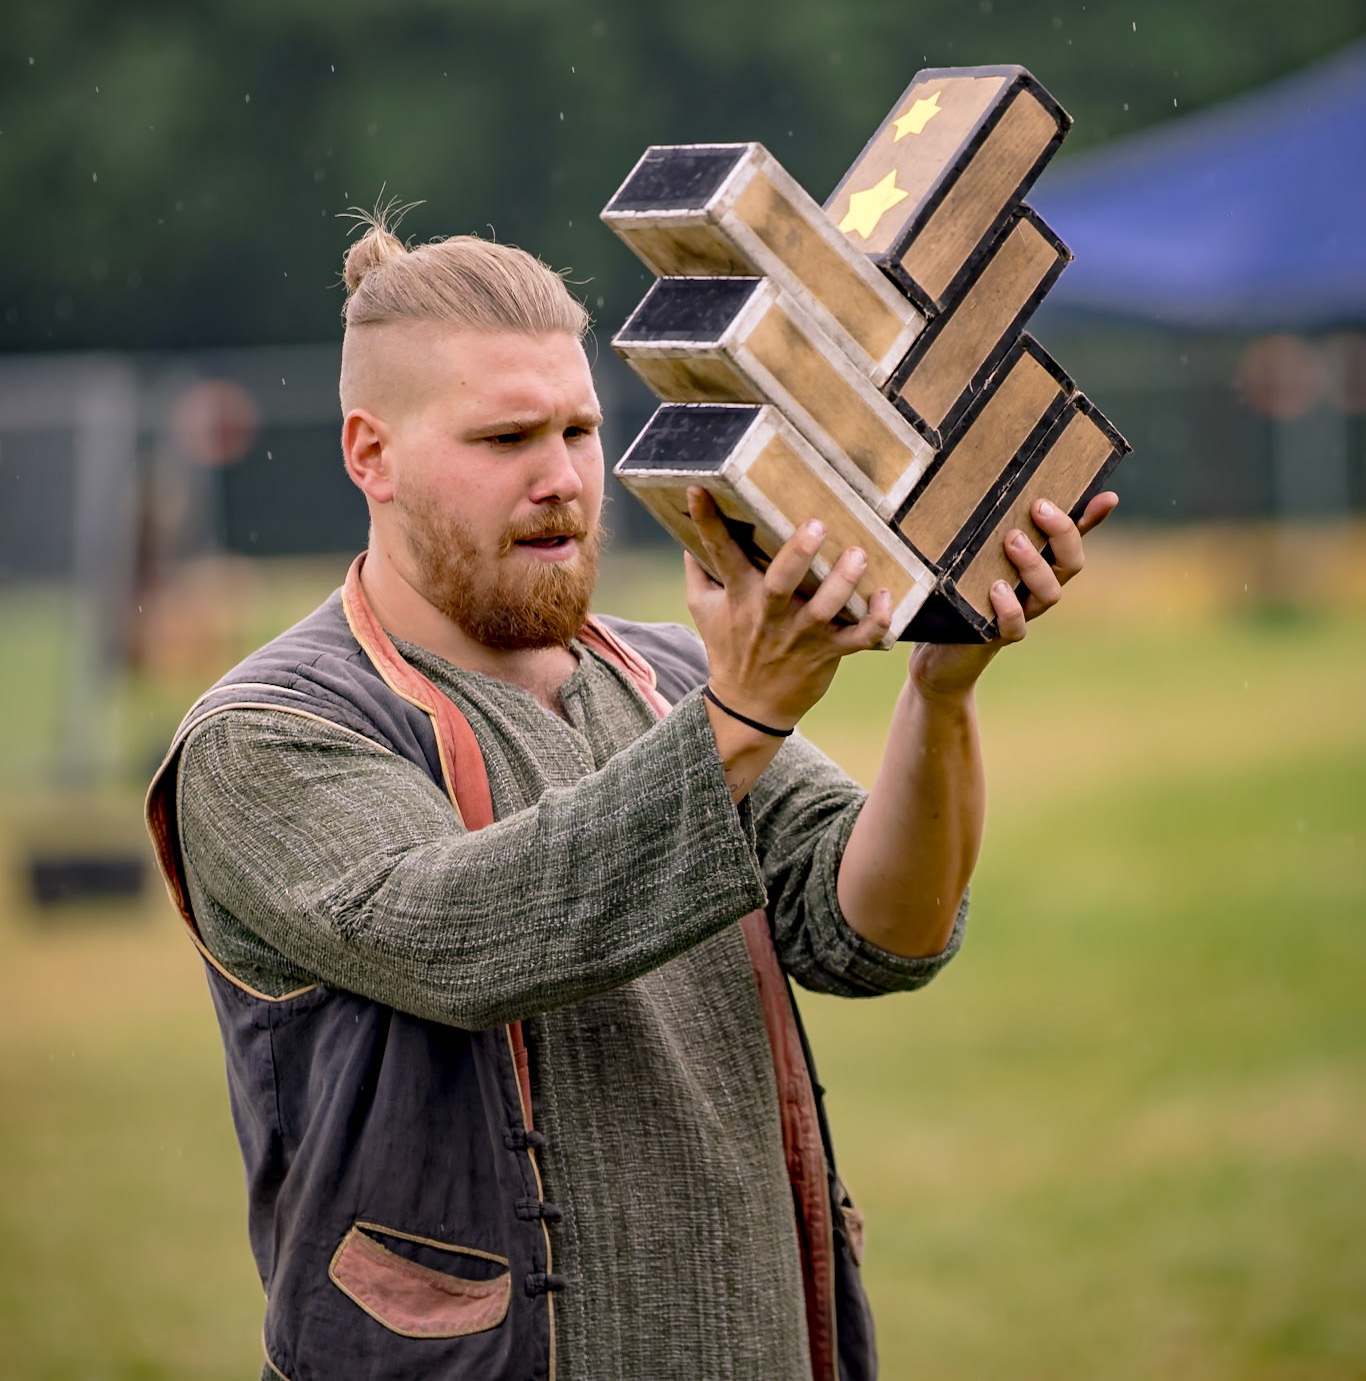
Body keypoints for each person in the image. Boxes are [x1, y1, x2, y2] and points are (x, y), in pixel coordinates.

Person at [146, 209, 1116, 1381]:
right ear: (371, 455)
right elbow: (472, 938)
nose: (560, 478)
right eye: (505, 438)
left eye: (578, 428)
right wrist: (743, 717)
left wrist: (942, 684)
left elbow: (879, 935)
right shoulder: (267, 737)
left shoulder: (666, 680)